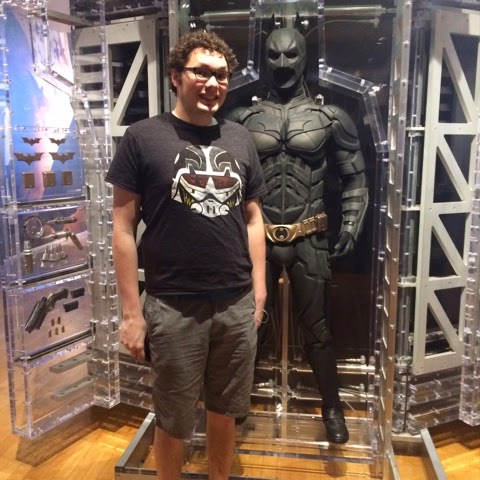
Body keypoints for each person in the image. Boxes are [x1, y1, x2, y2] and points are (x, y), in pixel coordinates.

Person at [106, 30, 267, 480]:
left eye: (222, 75)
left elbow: (254, 218)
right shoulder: (143, 137)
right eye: (202, 72)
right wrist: (131, 313)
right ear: (176, 76)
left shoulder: (240, 139)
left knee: (226, 411)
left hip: (235, 302)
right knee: (173, 419)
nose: (213, 83)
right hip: (173, 304)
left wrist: (258, 290)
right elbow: (122, 228)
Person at [228, 27, 369, 444]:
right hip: (257, 239)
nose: (283, 64)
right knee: (248, 327)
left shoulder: (330, 117)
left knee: (319, 331)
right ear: (264, 59)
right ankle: (237, 403)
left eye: (291, 55)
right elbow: (224, 182)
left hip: (310, 237)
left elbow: (355, 177)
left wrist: (351, 224)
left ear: (305, 57)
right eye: (274, 55)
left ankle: (331, 408)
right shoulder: (241, 119)